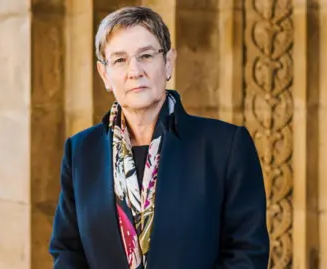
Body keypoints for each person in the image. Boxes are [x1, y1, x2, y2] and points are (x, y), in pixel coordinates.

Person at [49, 6, 269, 269]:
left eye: (146, 55)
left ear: (168, 63)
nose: (135, 71)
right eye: (120, 60)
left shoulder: (226, 146)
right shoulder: (81, 151)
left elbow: (247, 252)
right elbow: (67, 251)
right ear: (105, 74)